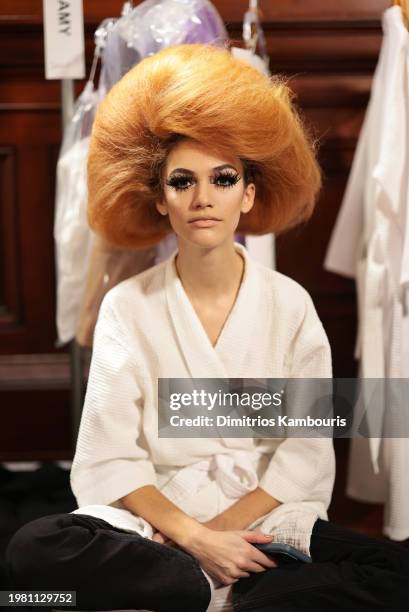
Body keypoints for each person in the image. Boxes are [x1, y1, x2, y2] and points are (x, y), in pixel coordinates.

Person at [6, 43, 409, 612]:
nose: (202, 199)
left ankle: (211, 586)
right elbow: (111, 455)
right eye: (181, 182)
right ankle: (206, 588)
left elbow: (305, 451)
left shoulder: (290, 305)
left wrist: (224, 536)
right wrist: (196, 543)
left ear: (249, 193)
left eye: (222, 179)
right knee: (35, 554)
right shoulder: (128, 307)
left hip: (263, 521)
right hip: (159, 525)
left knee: (397, 572)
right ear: (159, 199)